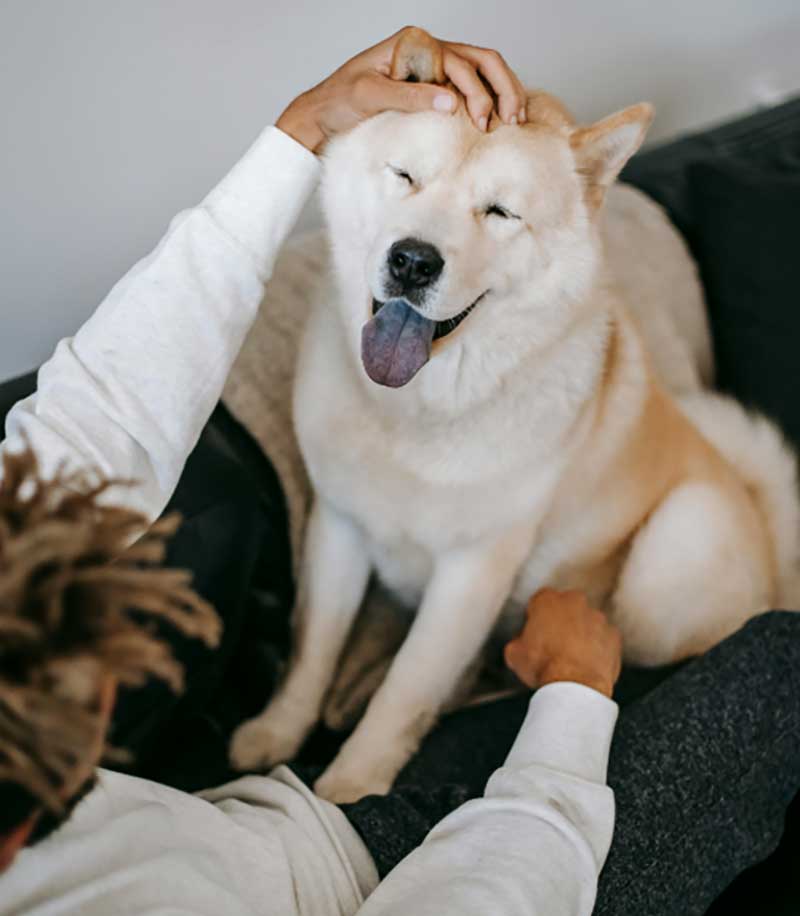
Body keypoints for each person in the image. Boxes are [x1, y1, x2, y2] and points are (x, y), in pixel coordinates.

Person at [0, 26, 798, 916]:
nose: (422, 240)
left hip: (660, 541)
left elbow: (94, 425)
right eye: (409, 181)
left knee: (686, 610)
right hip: (374, 857)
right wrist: (572, 694)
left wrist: (307, 122)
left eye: (497, 211)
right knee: (784, 670)